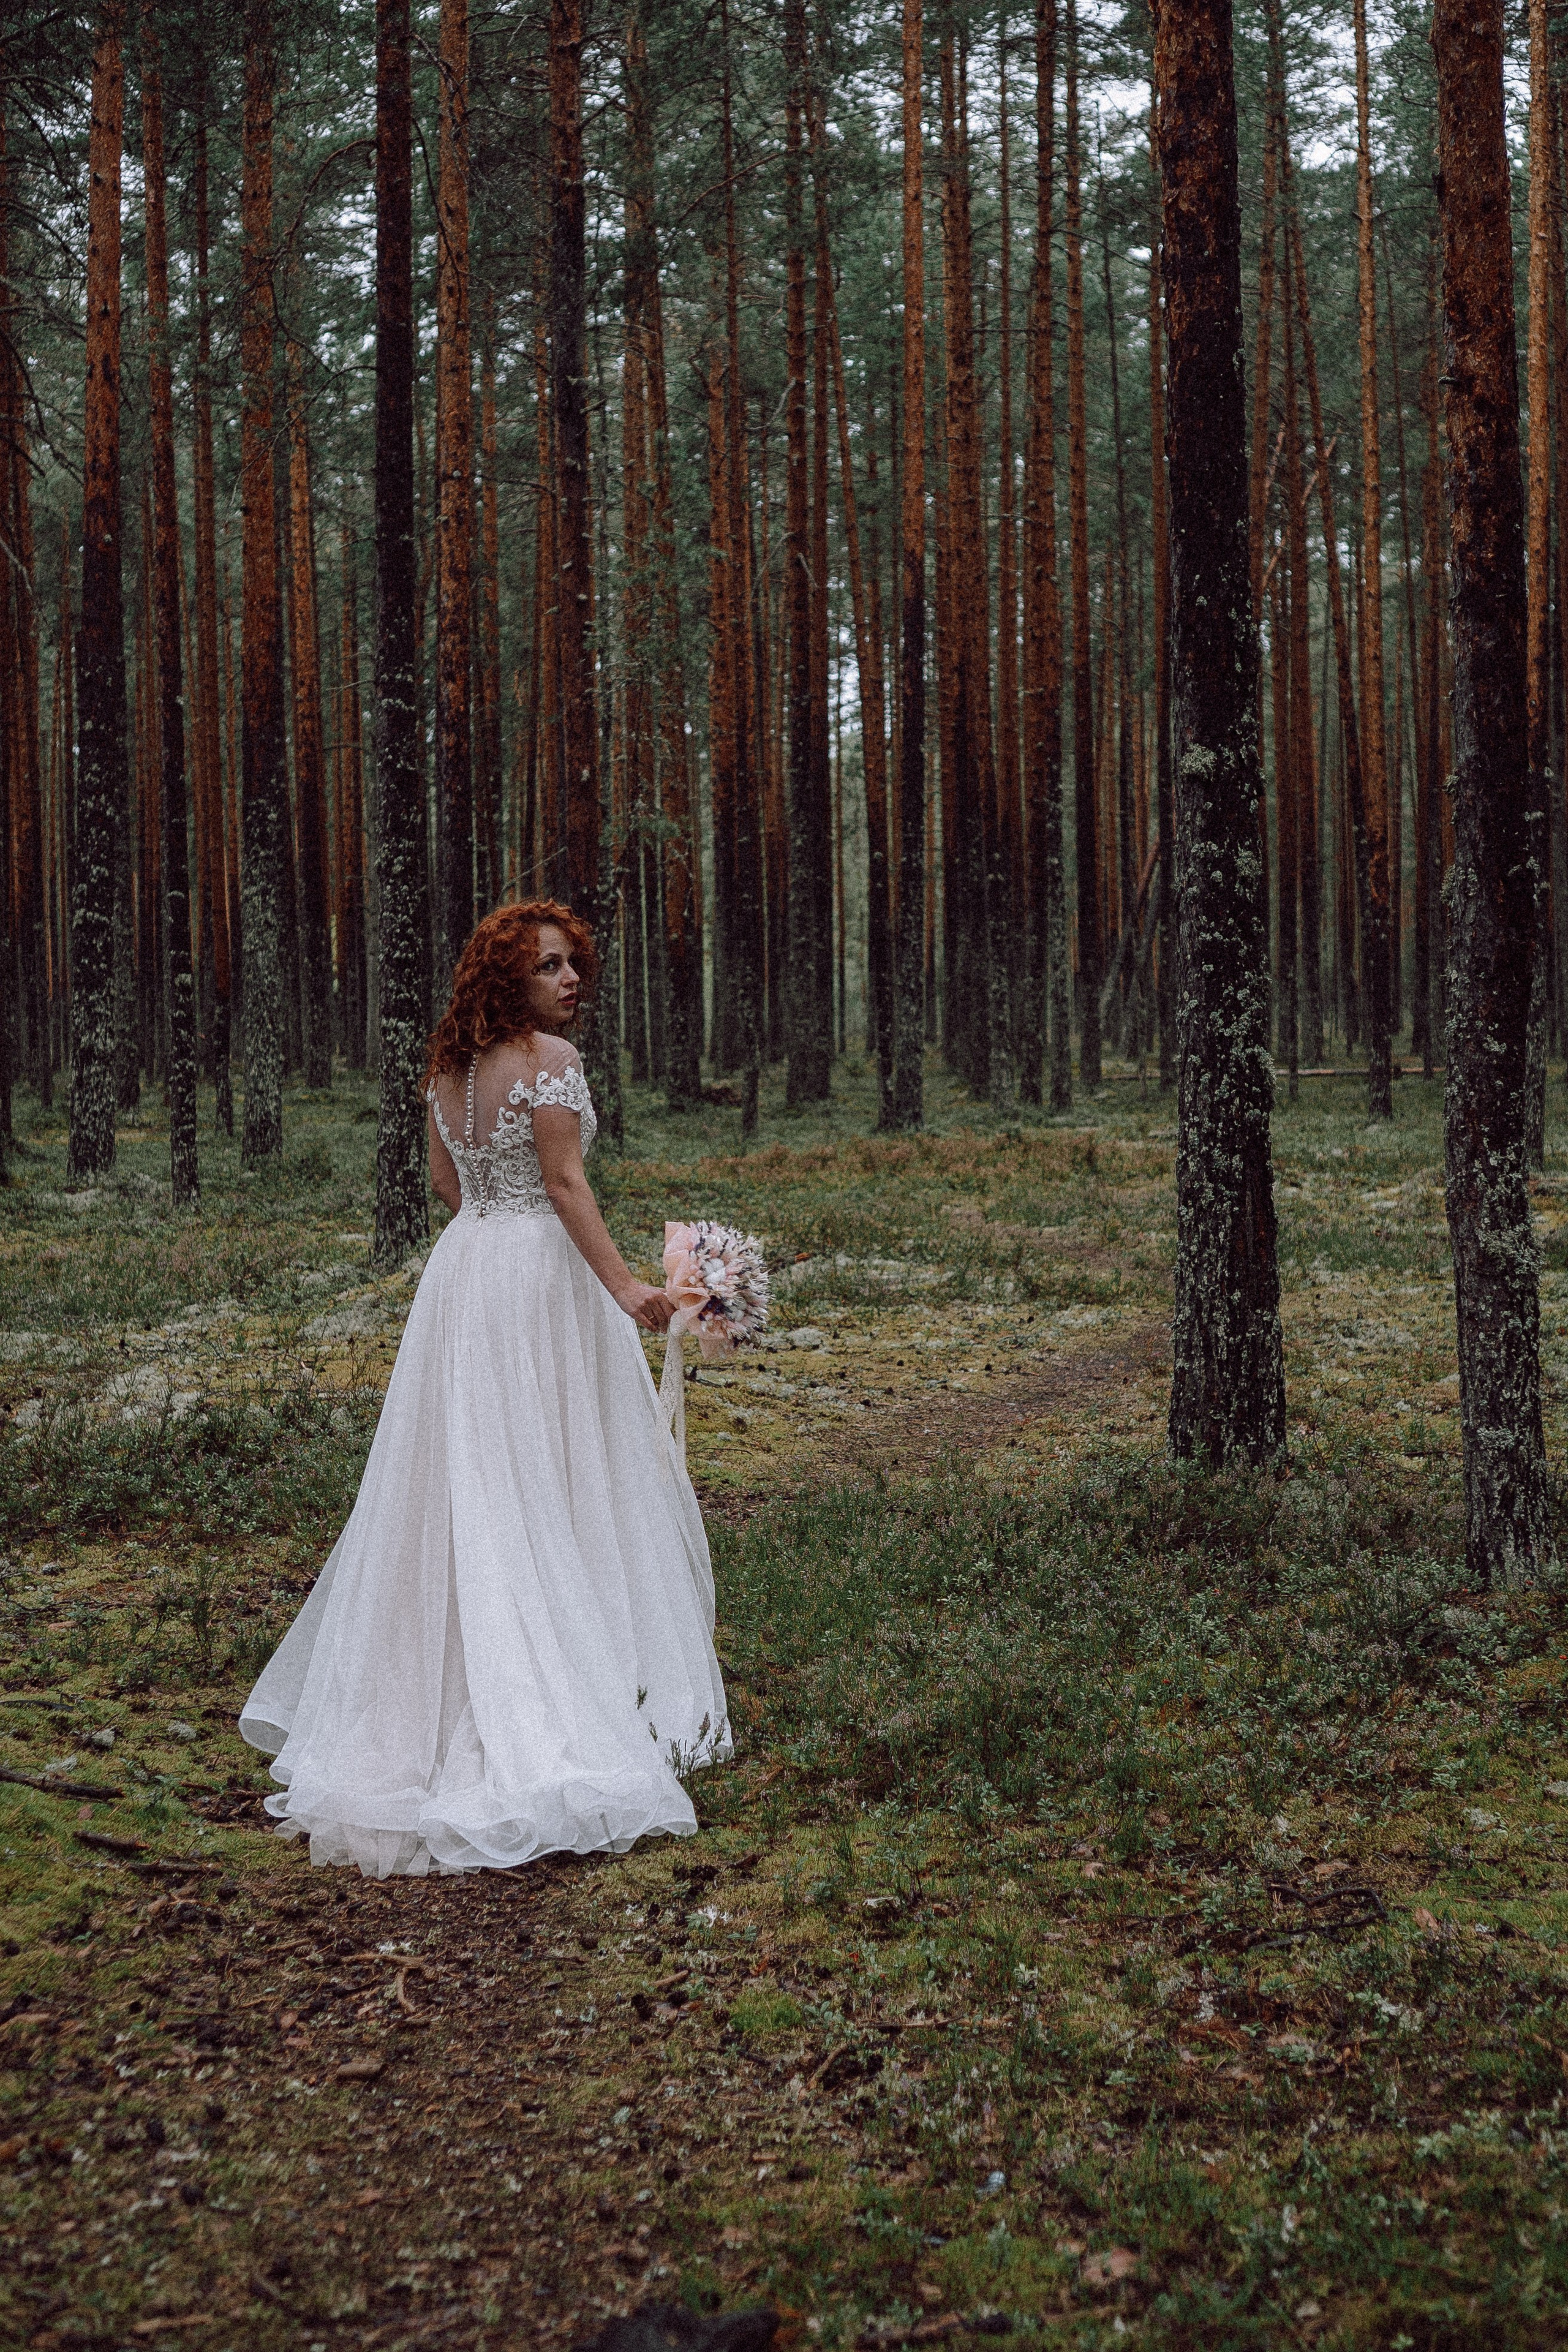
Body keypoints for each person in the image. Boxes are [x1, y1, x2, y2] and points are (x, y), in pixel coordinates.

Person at [239, 900, 729, 1877]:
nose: (570, 980)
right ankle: (564, 1686)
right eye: (550, 968)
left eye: (573, 964)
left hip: (466, 1280)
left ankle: (447, 1682)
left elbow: (445, 1185)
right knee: (556, 1462)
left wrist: (493, 1235)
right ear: (511, 980)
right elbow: (565, 1186)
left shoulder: (446, 1070)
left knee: (472, 1471)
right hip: (541, 1281)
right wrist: (624, 1284)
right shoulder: (549, 1062)